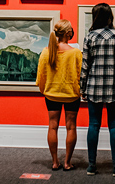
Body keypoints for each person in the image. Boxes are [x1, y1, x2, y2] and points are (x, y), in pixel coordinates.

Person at [80, 3, 115, 177]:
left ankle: (92, 166)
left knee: (94, 124)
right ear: (110, 17)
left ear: (95, 17)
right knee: (114, 125)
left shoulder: (90, 37)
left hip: (94, 85)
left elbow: (85, 65)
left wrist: (82, 87)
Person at [36, 19, 82, 171]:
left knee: (52, 126)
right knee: (71, 127)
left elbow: (41, 76)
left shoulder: (46, 51)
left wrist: (45, 90)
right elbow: (80, 75)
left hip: (51, 95)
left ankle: (55, 162)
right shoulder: (76, 53)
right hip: (71, 95)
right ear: (68, 33)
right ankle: (68, 163)